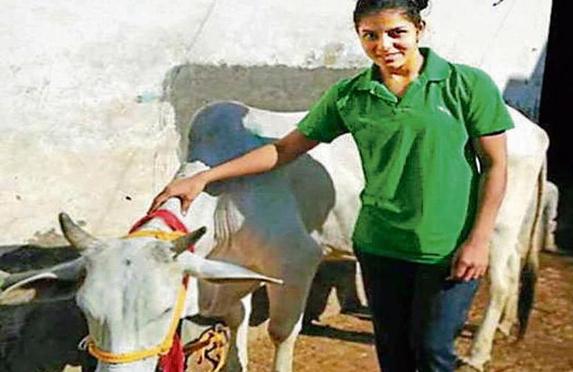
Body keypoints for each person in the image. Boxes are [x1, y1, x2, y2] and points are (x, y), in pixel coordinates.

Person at [149, 0, 513, 370]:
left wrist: (479, 240)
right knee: (394, 355)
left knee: (433, 350)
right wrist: (204, 177)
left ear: (419, 30)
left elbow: (496, 165)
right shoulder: (350, 96)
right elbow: (284, 149)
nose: (383, 45)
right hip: (380, 245)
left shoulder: (466, 85)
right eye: (370, 36)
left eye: (396, 33)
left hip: (447, 245)